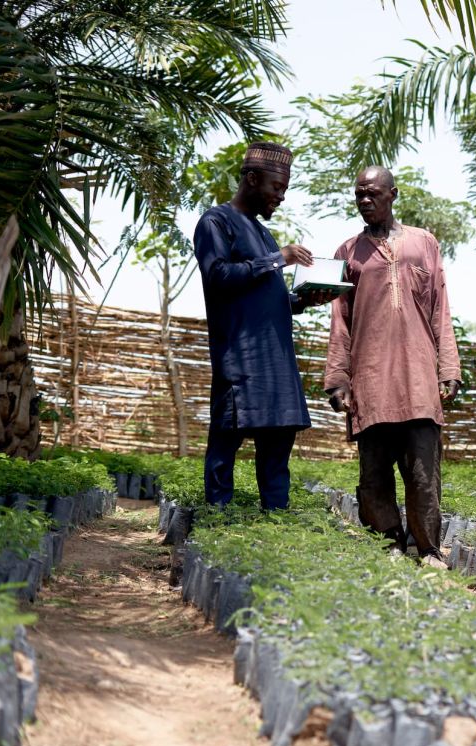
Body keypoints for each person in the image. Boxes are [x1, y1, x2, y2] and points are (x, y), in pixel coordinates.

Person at [325, 166, 461, 568]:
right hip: (369, 381)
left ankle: (429, 551)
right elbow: (340, 320)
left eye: (373, 193)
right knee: (374, 475)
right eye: (359, 195)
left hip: (419, 381)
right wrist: (338, 378)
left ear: (392, 195)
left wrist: (448, 368)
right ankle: (389, 546)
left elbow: (441, 309)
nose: (365, 201)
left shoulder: (424, 243)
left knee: (423, 475)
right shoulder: (347, 253)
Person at [192, 141, 329, 510]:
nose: (281, 197)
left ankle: (275, 524)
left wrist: (304, 300)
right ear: (251, 179)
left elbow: (267, 300)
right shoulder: (215, 222)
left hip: (277, 365)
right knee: (224, 449)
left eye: (284, 189)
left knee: (277, 456)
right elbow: (217, 275)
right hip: (240, 361)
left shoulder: (262, 233)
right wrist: (277, 260)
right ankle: (216, 523)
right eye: (276, 187)